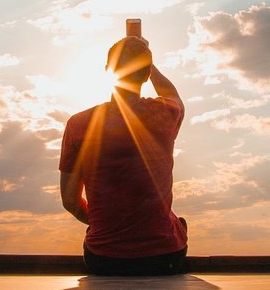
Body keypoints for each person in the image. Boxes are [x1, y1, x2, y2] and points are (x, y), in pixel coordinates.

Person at [58, 36, 188, 276]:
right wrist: (149, 61)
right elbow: (174, 96)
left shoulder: (78, 125)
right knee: (178, 224)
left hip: (104, 259)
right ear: (147, 74)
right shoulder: (165, 114)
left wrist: (108, 227)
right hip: (164, 257)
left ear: (109, 71)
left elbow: (70, 202)